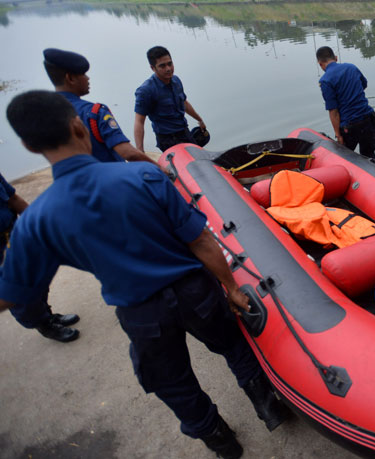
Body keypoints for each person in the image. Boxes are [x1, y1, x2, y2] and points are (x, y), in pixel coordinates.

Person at [1, 90, 288, 458]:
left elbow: (12, 293)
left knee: (173, 383)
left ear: (27, 145)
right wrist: (230, 287)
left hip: (141, 312)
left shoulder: (37, 221)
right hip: (194, 292)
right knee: (232, 343)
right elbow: (199, 238)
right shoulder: (142, 177)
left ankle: (223, 443)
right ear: (78, 126)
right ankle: (268, 408)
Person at [42, 48, 159, 166]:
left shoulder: (46, 114)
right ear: (70, 78)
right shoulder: (94, 112)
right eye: (83, 74)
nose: (88, 78)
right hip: (109, 178)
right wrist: (159, 168)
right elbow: (128, 153)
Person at [0, 171, 79, 342]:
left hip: (13, 232)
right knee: (17, 287)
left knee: (38, 277)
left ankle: (46, 315)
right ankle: (43, 324)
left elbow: (13, 198)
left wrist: (37, 224)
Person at [134, 46, 207, 153]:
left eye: (170, 63)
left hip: (184, 131)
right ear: (153, 68)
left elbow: (184, 103)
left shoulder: (176, 81)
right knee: (181, 167)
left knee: (201, 159)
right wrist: (140, 151)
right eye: (162, 66)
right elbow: (139, 121)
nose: (168, 69)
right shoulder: (146, 91)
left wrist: (199, 119)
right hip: (167, 139)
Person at [316, 46, 375, 160]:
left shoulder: (325, 80)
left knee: (345, 159)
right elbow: (364, 85)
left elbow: (333, 111)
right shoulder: (351, 68)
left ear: (320, 64)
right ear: (335, 58)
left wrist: (338, 135)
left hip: (349, 126)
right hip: (368, 119)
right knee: (369, 156)